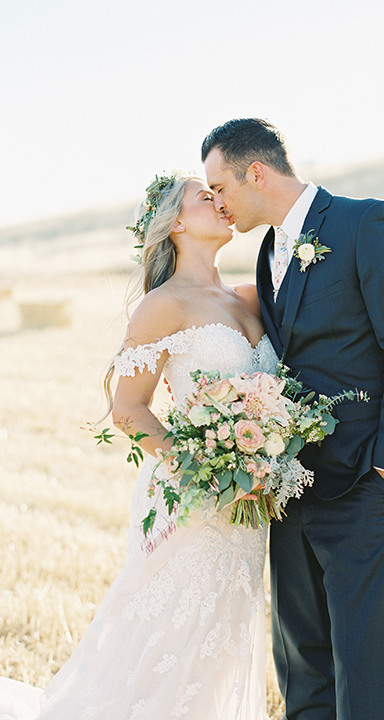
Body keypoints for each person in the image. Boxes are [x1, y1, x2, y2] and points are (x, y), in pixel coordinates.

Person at [0, 173, 277, 719]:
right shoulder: (162, 305)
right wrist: (208, 470)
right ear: (176, 222)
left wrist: (262, 457)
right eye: (207, 196)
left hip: (251, 497)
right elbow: (129, 410)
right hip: (193, 495)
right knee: (170, 632)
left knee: (224, 633)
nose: (222, 203)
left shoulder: (251, 295)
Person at [202, 118, 384, 720]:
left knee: (360, 675)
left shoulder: (364, 223)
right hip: (290, 486)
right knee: (302, 668)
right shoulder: (264, 255)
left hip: (365, 484)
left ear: (256, 172)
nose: (218, 204)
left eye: (221, 187)